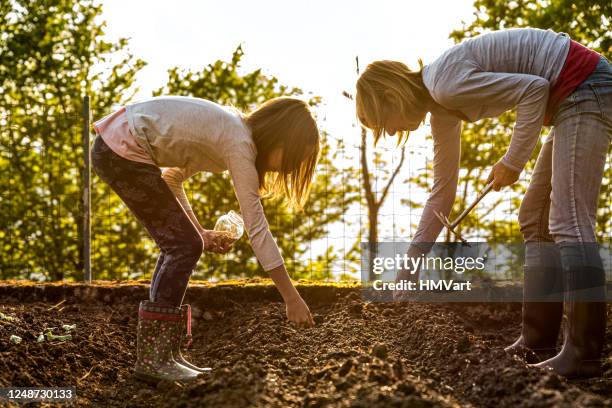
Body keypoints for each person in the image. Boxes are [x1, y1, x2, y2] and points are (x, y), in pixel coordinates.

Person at [355, 27, 610, 378]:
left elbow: (533, 90)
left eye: (387, 123)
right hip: (570, 96)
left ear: (390, 95)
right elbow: (441, 193)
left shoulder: (445, 83)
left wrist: (511, 162)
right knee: (534, 217)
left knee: (567, 219)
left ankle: (583, 352)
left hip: (586, 86)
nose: (395, 133)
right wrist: (409, 267)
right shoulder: (442, 110)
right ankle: (537, 341)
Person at [91, 96, 318, 383]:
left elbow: (172, 178)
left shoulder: (228, 131)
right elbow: (256, 226)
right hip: (122, 152)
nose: (287, 169)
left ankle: (165, 355)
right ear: (279, 139)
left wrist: (199, 232)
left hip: (119, 148)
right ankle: (155, 359)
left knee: (185, 243)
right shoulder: (239, 142)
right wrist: (291, 298)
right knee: (183, 246)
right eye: (293, 158)